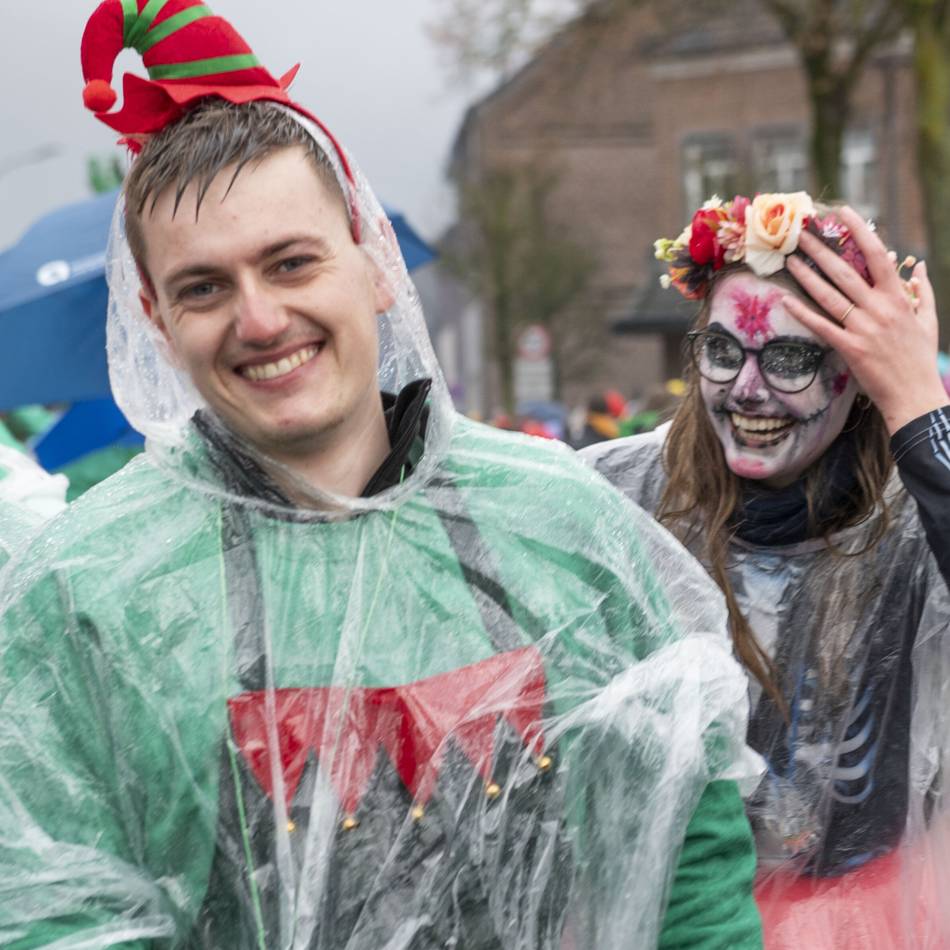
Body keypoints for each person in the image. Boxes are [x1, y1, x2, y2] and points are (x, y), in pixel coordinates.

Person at [0, 3, 764, 947]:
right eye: (205, 287)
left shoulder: (558, 522)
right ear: (156, 318)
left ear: (373, 263)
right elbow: (50, 912)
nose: (261, 318)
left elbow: (688, 854)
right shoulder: (84, 592)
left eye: (291, 263)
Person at [585, 192, 950, 948]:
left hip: (871, 917)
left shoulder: (914, 510)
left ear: (859, 377)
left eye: (790, 359)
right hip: (674, 920)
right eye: (723, 351)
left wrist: (919, 404)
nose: (747, 389)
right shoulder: (617, 493)